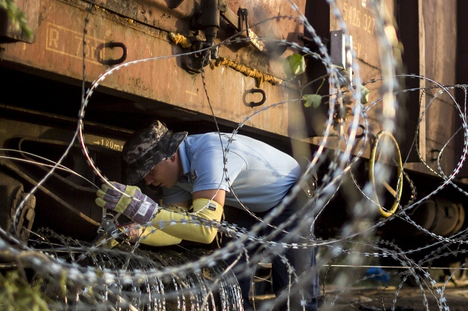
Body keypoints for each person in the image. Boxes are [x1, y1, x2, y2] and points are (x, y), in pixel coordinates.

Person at [94, 120, 319, 311]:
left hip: (291, 195)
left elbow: (205, 231)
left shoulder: (210, 155)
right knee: (230, 280)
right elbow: (176, 229)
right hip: (249, 206)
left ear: (170, 155)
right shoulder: (175, 178)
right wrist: (134, 232)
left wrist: (146, 211)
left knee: (293, 288)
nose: (149, 182)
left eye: (150, 172)